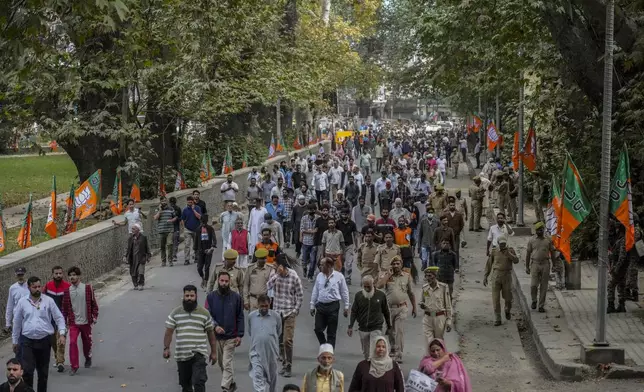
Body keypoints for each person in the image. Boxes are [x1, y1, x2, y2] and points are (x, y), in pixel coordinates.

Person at [12, 276, 66, 392]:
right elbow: (16, 323)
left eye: (39, 286)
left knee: (43, 373)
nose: (37, 289)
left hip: (44, 340)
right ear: (29, 287)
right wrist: (15, 341)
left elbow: (59, 318)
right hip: (27, 341)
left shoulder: (48, 301)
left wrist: (62, 333)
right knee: (27, 370)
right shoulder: (22, 302)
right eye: (34, 287)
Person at [164, 285, 217, 392]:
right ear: (183, 297)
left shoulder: (204, 313)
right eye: (187, 296)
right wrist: (166, 348)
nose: (189, 298)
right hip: (182, 355)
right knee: (185, 385)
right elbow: (169, 332)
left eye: (192, 296)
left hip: (199, 353)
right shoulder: (176, 313)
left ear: (196, 296)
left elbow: (211, 333)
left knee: (199, 381)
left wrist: (214, 352)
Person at [206, 271, 244, 392]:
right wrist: (215, 326)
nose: (224, 283)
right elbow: (207, 315)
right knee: (222, 363)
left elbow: (240, 316)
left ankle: (225, 387)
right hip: (216, 337)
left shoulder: (236, 297)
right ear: (218, 280)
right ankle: (231, 383)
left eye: (226, 281)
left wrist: (239, 335)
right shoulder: (210, 297)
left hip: (231, 336)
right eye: (222, 281)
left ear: (229, 282)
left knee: (227, 362)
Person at [267, 256, 304, 378]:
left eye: (277, 266)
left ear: (283, 266)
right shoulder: (275, 275)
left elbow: (300, 295)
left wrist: (295, 310)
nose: (277, 268)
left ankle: (289, 365)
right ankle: (284, 363)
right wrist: (277, 275)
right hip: (277, 312)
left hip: (289, 312)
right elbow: (268, 286)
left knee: (287, 340)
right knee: (280, 341)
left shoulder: (293, 276)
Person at [376, 257, 416, 363]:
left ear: (401, 265)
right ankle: (393, 349)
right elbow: (379, 286)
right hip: (389, 309)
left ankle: (399, 354)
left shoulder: (406, 276)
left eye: (398, 263)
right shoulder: (387, 275)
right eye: (393, 264)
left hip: (402, 308)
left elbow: (411, 293)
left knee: (399, 331)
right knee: (390, 331)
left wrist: (414, 307)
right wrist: (388, 275)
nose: (396, 266)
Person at [61, 267, 99, 376]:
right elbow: (64, 309)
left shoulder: (87, 288)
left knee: (87, 343)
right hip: (74, 323)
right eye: (70, 275)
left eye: (74, 275)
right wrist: (63, 322)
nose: (72, 277)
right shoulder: (67, 291)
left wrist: (94, 316)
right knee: (72, 342)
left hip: (86, 322)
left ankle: (88, 357)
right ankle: (74, 366)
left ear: (79, 276)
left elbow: (94, 305)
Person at [348, 276, 391, 360]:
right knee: (366, 353)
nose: (367, 288)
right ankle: (368, 368)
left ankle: (375, 368)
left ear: (373, 284)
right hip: (363, 328)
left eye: (369, 286)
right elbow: (354, 311)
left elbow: (386, 311)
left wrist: (389, 326)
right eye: (365, 286)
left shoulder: (380, 295)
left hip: (376, 327)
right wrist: (350, 326)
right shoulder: (359, 296)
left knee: (374, 350)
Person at [310, 258, 350, 348]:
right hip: (321, 306)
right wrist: (312, 305)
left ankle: (329, 352)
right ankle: (324, 346)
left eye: (322, 265)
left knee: (331, 332)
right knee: (318, 329)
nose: (320, 267)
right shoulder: (319, 276)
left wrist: (346, 306)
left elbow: (344, 291)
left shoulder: (339, 276)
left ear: (329, 266)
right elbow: (315, 291)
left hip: (333, 306)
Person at [248, 294, 282, 392]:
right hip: (256, 352)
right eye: (262, 306)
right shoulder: (251, 316)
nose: (264, 308)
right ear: (258, 305)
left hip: (271, 353)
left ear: (270, 304)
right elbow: (251, 332)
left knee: (273, 379)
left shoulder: (276, 317)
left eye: (266, 306)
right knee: (258, 376)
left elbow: (279, 332)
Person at [483, 236, 519, 325]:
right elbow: (489, 264)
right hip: (496, 276)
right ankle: (497, 318)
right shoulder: (494, 251)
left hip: (507, 276)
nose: (502, 245)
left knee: (508, 297)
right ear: (498, 243)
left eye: (504, 243)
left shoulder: (510, 250)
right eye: (501, 243)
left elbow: (516, 260)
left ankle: (507, 309)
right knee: (496, 299)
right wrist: (485, 276)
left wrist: (509, 254)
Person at [525, 222, 557, 313]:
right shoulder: (531, 240)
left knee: (544, 286)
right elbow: (528, 253)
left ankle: (541, 305)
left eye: (542, 229)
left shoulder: (548, 240)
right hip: (535, 264)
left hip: (545, 264)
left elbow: (553, 252)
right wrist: (527, 267)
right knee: (533, 285)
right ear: (536, 231)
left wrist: (554, 265)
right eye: (539, 229)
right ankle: (534, 300)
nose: (541, 231)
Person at [43, 266, 70, 372]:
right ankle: (57, 356)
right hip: (50, 319)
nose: (58, 275)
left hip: (62, 318)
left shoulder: (67, 286)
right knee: (53, 341)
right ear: (52, 274)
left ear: (62, 274)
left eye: (60, 273)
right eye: (56, 273)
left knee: (61, 340)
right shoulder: (48, 286)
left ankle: (60, 362)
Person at [420, 267, 453, 344]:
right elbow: (422, 301)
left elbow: (448, 305)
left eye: (430, 276)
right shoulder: (425, 288)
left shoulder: (443, 288)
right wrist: (422, 305)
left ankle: (441, 355)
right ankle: (429, 356)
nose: (428, 278)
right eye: (426, 276)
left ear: (435, 276)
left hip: (439, 318)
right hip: (427, 318)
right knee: (429, 342)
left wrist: (449, 321)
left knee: (438, 342)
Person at [125, 224, 151, 290]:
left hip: (141, 257)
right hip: (133, 258)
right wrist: (125, 256)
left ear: (138, 230)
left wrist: (148, 255)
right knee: (133, 272)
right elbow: (128, 249)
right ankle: (135, 284)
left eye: (134, 229)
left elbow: (147, 247)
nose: (132, 230)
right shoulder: (130, 238)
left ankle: (141, 284)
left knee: (141, 272)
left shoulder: (143, 238)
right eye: (132, 229)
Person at [5, 268, 29, 336]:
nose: (20, 277)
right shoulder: (12, 288)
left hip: (29, 318)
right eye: (18, 275)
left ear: (25, 274)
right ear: (15, 275)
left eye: (22, 275)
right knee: (17, 342)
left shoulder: (31, 286)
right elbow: (10, 306)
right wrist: (8, 323)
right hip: (17, 320)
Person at [336, 210, 358, 284]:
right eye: (343, 214)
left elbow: (355, 235)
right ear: (340, 214)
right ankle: (341, 276)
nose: (344, 216)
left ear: (348, 215)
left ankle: (348, 278)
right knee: (341, 262)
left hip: (349, 245)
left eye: (345, 214)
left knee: (349, 263)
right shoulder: (338, 223)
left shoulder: (352, 224)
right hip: (340, 245)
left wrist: (356, 246)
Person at [155, 196, 176, 267]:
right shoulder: (158, 209)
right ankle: (163, 261)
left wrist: (172, 220)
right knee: (162, 246)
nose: (164, 202)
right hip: (161, 230)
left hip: (170, 230)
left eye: (165, 201)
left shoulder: (171, 208)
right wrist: (160, 210)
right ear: (160, 202)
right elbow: (155, 218)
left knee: (170, 244)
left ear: (167, 201)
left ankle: (170, 260)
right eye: (162, 201)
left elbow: (175, 217)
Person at [181, 196, 202, 265]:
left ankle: (197, 257)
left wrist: (194, 210)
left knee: (196, 245)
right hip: (187, 230)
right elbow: (182, 219)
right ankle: (186, 259)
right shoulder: (184, 210)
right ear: (187, 202)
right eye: (188, 202)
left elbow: (199, 217)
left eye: (191, 202)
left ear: (193, 202)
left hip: (196, 229)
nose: (189, 203)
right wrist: (184, 227)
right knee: (187, 244)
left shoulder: (197, 208)